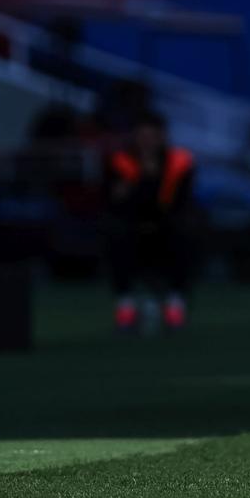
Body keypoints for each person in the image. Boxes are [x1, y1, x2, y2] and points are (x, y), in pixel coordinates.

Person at [104, 111, 195, 333]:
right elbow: (113, 200)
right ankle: (126, 306)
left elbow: (181, 201)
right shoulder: (120, 162)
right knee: (116, 235)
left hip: (166, 223)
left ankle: (175, 305)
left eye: (152, 136)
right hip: (132, 223)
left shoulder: (179, 162)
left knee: (184, 234)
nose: (147, 142)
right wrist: (136, 184)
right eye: (142, 136)